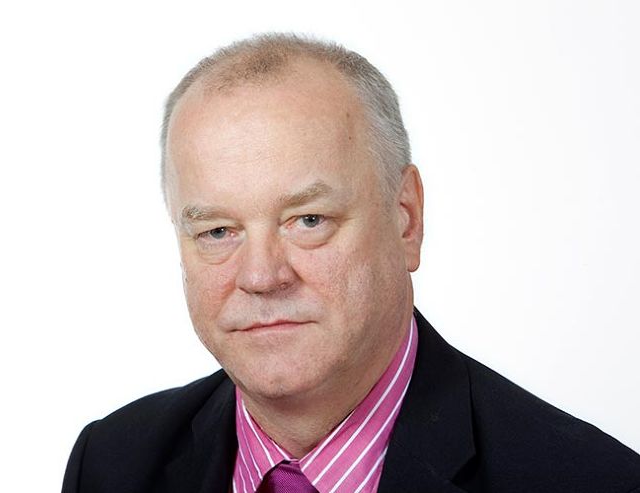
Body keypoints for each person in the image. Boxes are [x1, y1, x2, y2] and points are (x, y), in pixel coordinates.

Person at [62, 33, 640, 493]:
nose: (261, 276)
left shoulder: (590, 479)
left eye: (308, 220)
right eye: (217, 231)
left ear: (406, 219)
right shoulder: (111, 464)